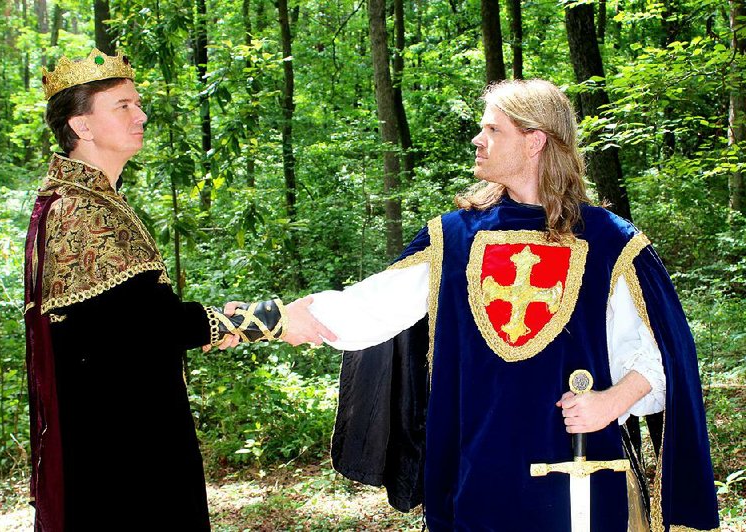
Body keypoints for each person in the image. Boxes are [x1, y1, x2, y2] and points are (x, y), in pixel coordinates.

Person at [293, 80, 719, 531]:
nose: (478, 140)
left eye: (493, 130)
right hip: (477, 477)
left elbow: (663, 354)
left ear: (535, 141)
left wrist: (612, 401)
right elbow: (370, 309)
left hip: (578, 478)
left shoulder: (610, 242)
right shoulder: (454, 238)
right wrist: (266, 320)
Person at [24, 49, 332, 531]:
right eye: (123, 105)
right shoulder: (83, 211)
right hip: (121, 438)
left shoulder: (90, 200)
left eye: (138, 103)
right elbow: (146, 325)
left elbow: (123, 320)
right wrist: (272, 319)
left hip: (126, 418)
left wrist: (211, 325)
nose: (141, 114)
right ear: (81, 126)